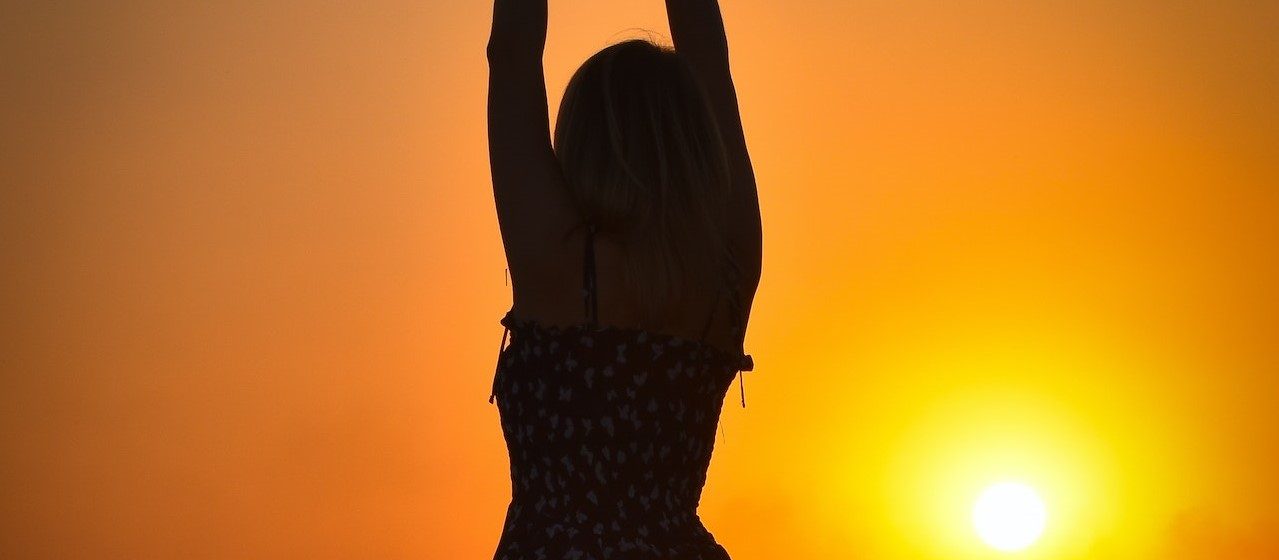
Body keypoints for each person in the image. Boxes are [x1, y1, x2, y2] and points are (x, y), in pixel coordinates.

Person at [485, 0, 761, 557]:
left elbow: (512, 55)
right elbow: (710, 59)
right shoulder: (728, 271)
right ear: (696, 142)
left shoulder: (558, 265)